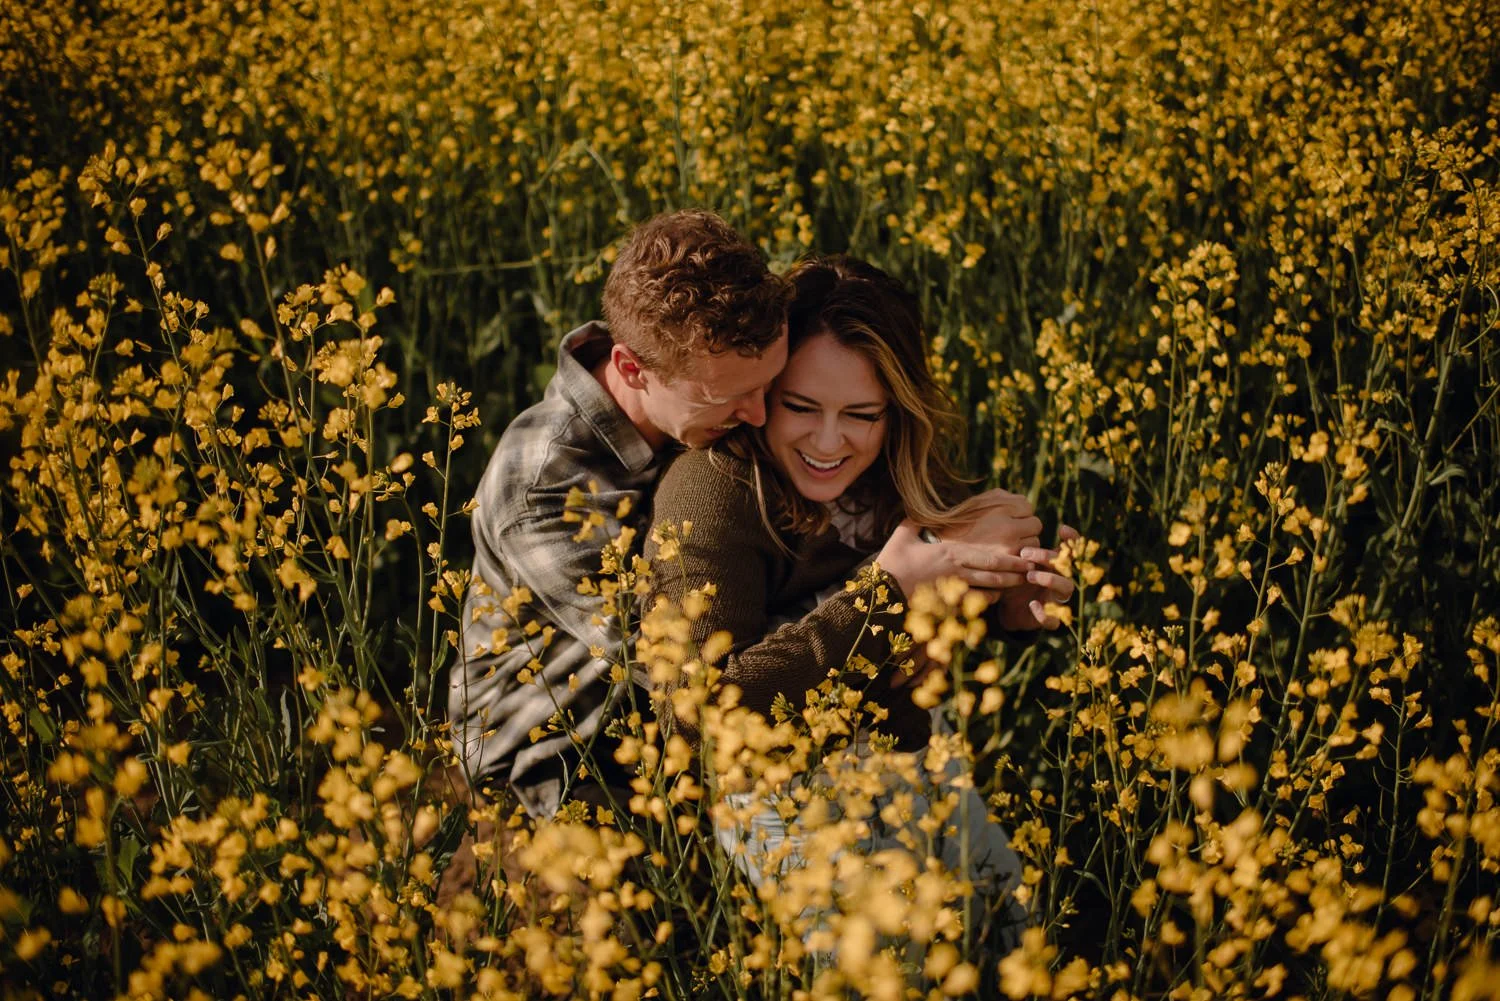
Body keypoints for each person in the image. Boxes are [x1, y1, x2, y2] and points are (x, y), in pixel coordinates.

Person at [644, 254, 1075, 942]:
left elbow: (920, 625)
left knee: (1013, 940)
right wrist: (888, 593)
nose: (827, 441)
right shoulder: (710, 492)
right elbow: (696, 719)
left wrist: (1006, 607)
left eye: (862, 414)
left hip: (914, 762)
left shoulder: (896, 464)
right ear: (763, 390)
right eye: (800, 406)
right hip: (785, 799)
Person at [449, 210, 791, 818]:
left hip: (651, 705)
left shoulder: (697, 403)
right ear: (632, 368)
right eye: (730, 396)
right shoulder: (542, 486)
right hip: (549, 738)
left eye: (769, 385)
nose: (761, 416)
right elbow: (671, 656)